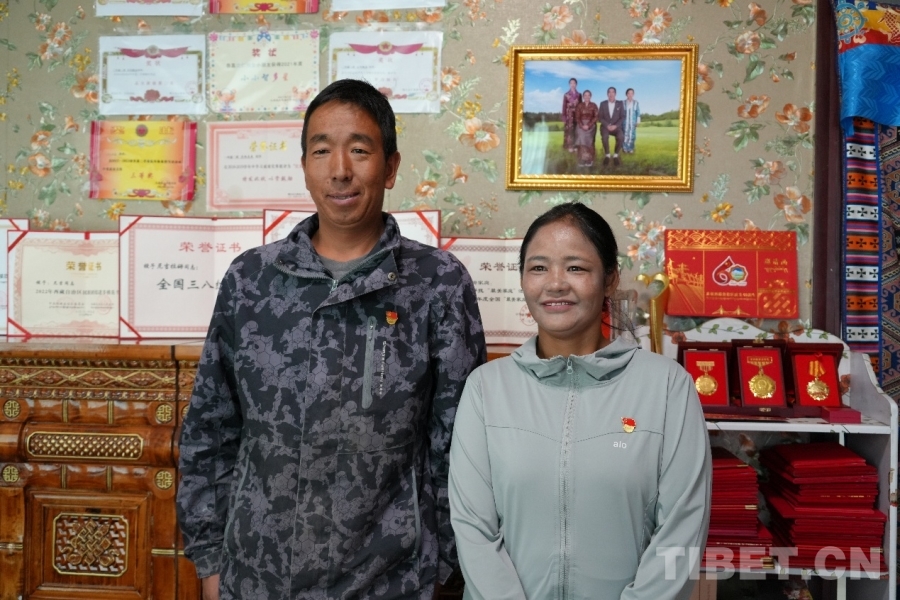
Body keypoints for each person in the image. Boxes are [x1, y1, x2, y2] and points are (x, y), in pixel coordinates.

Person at [177, 79, 487, 600]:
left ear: (391, 166)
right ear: (304, 165)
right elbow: (210, 428)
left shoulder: (437, 283)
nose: (340, 169)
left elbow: (459, 443)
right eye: (322, 151)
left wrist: (442, 570)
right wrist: (210, 561)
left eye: (359, 150)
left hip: (391, 580)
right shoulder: (252, 280)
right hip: (257, 576)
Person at [449, 203, 711, 600]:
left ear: (609, 279)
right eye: (538, 268)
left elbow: (682, 530)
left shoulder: (668, 387)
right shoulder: (486, 388)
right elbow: (473, 530)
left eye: (575, 267)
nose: (555, 284)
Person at [598, 86, 625, 166]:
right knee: (605, 137)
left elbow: (622, 116)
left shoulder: (620, 103)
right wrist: (607, 125)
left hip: (616, 127)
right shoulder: (602, 104)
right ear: (607, 94)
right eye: (609, 92)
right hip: (605, 127)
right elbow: (600, 117)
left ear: (615, 94)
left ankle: (616, 155)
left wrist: (615, 126)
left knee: (621, 137)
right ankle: (607, 155)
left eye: (613, 92)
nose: (611, 94)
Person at [574, 90, 599, 167]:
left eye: (588, 95)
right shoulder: (579, 105)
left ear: (590, 96)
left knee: (589, 140)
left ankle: (589, 160)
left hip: (591, 125)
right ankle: (581, 159)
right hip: (581, 125)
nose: (587, 97)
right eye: (585, 95)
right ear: (583, 96)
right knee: (581, 136)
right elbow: (577, 117)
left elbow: (596, 117)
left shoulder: (594, 105)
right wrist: (582, 125)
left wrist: (588, 125)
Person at [561, 78, 580, 153]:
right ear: (569, 84)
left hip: (577, 115)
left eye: (574, 83)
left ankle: (575, 146)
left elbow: (580, 106)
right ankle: (569, 146)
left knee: (576, 130)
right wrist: (564, 117)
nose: (572, 84)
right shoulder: (566, 95)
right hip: (569, 115)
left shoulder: (579, 95)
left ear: (576, 84)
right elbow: (564, 106)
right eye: (571, 83)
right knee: (569, 131)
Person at [623, 87, 641, 154]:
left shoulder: (636, 103)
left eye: (631, 93)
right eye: (628, 93)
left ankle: (631, 148)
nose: (630, 95)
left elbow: (638, 113)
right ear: (626, 94)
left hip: (633, 122)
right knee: (625, 135)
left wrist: (638, 121)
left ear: (633, 94)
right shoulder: (623, 103)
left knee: (632, 135)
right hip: (625, 122)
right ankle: (625, 148)